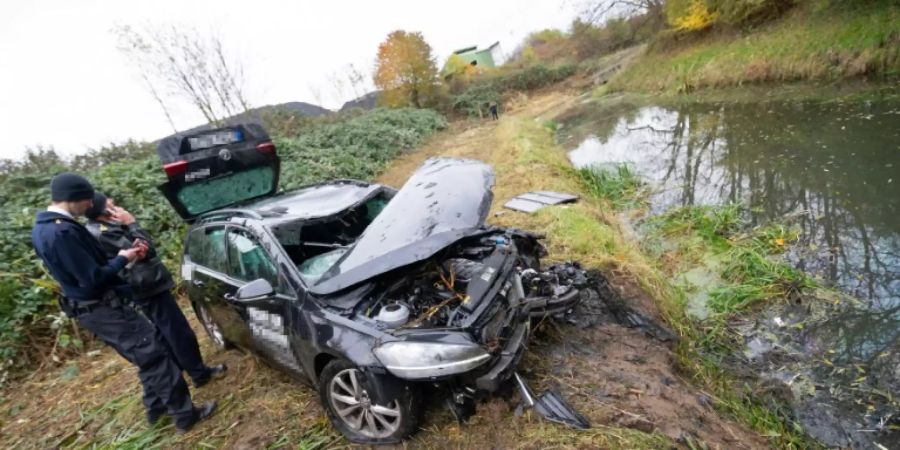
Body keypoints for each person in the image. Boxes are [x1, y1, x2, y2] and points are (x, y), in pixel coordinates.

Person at [31, 173, 217, 433]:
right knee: (154, 357)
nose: (89, 206)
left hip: (102, 305)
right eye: (87, 200)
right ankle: (186, 416)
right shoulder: (61, 232)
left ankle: (157, 410)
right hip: (104, 308)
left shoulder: (45, 228)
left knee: (146, 354)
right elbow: (92, 278)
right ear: (74, 198)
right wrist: (123, 257)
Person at [85, 192, 226, 388]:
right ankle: (199, 373)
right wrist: (131, 223)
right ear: (102, 208)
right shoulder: (106, 232)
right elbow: (145, 250)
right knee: (177, 331)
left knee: (164, 332)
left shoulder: (100, 229)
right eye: (109, 201)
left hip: (141, 286)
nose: (114, 203)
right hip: (146, 286)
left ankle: (180, 371)